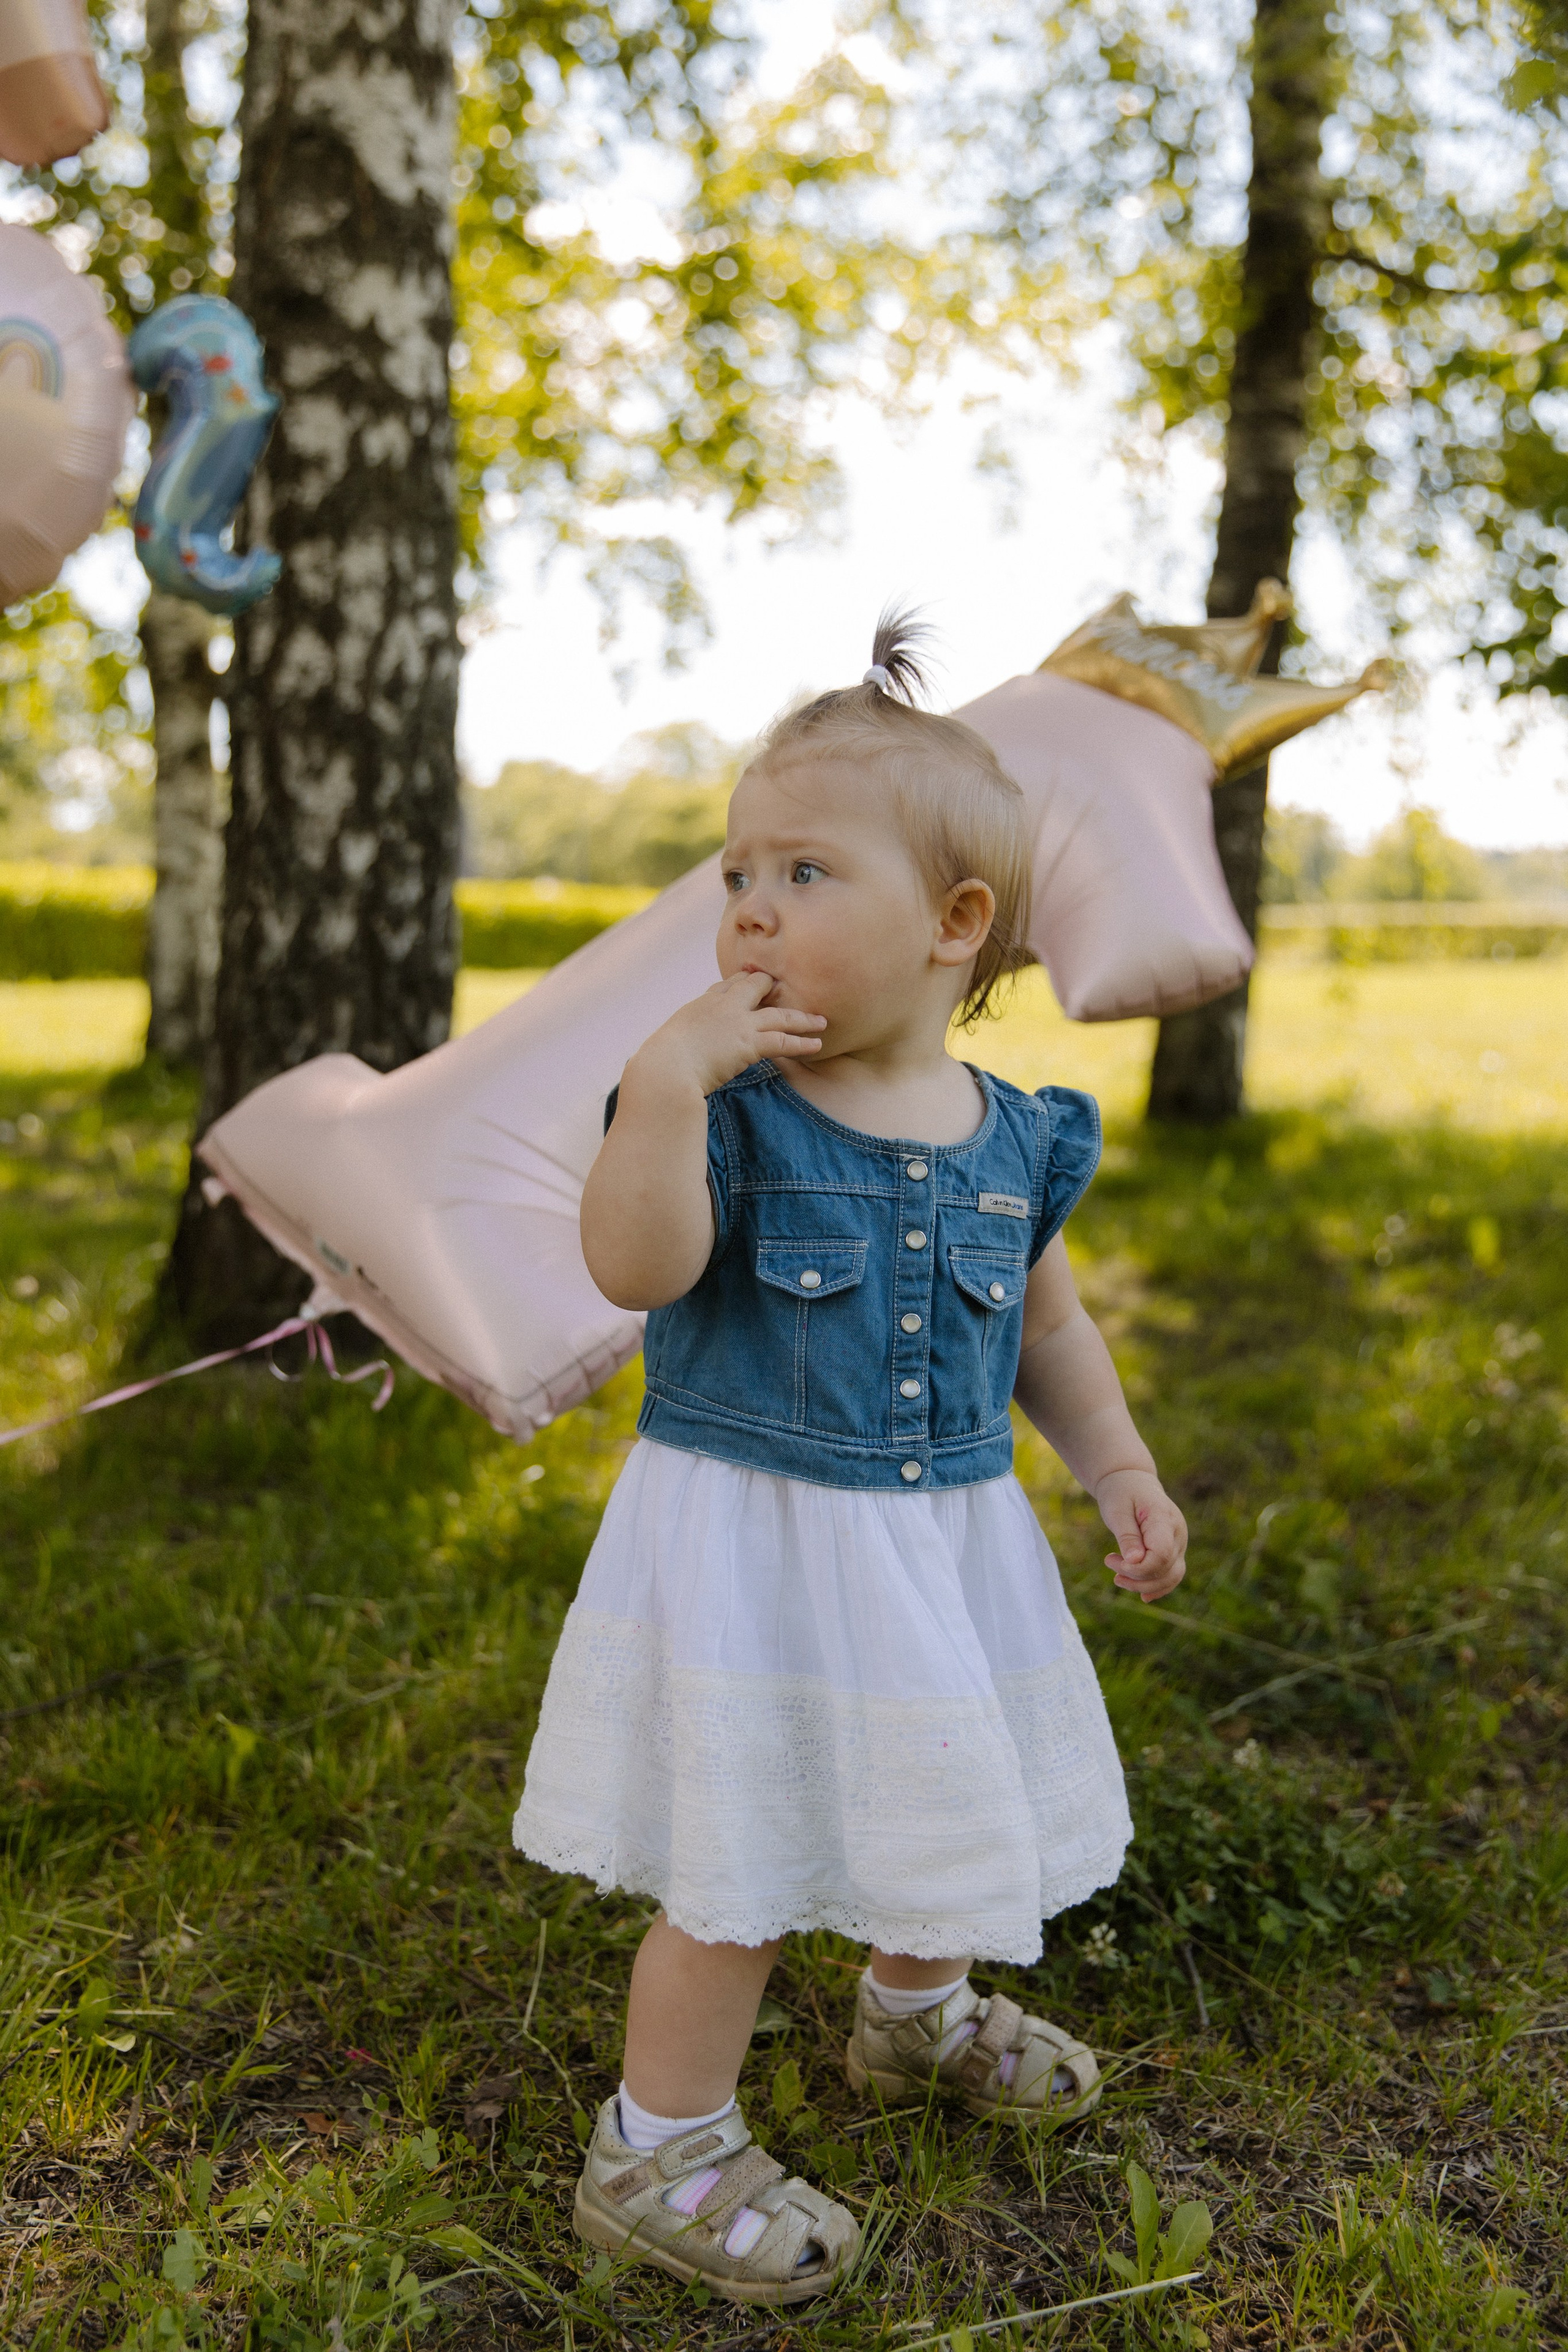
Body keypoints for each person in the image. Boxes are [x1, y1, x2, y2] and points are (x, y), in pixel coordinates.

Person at [513, 610, 1188, 2305]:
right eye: (737, 869)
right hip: (754, 1552)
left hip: (942, 1540)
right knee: (740, 1858)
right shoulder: (722, 1108)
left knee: (939, 1782)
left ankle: (912, 2011)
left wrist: (1113, 1468)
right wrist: (669, 1083)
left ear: (954, 926)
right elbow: (636, 1270)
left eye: (805, 871)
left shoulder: (1017, 1135)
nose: (748, 905)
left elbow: (1046, 1332)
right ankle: (658, 2145)